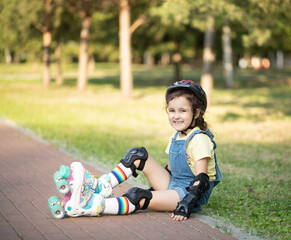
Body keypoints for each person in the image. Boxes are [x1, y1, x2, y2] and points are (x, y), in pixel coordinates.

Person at [58, 80, 222, 221]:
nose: (176, 116)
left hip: (188, 193)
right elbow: (170, 170)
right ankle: (101, 186)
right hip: (174, 185)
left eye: (183, 111)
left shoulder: (199, 139)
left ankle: (90, 206)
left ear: (197, 113)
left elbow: (202, 180)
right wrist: (156, 190)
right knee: (137, 155)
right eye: (172, 111)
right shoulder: (177, 136)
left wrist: (186, 204)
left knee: (138, 195)